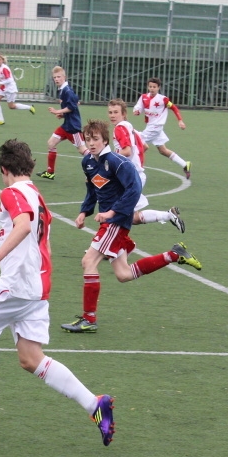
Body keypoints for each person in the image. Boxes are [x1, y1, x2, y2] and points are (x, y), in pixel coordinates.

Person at [0, 139, 115, 446]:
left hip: (17, 285)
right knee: (30, 358)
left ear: (4, 169)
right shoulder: (37, 194)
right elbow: (42, 241)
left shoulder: (12, 192)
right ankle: (95, 404)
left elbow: (22, 226)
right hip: (37, 287)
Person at [60, 119, 202, 334]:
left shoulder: (118, 162)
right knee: (123, 274)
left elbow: (134, 189)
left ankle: (89, 319)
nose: (91, 143)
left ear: (105, 140)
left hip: (117, 222)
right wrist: (83, 212)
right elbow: (92, 191)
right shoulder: (88, 162)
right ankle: (174, 255)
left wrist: (112, 212)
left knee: (88, 261)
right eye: (88, 139)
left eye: (95, 139)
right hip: (109, 222)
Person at [108, 98, 184, 233]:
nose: (112, 115)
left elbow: (127, 151)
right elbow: (145, 146)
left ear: (124, 114)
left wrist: (109, 157)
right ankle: (168, 215)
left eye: (116, 112)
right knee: (127, 216)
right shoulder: (130, 127)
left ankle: (106, 248)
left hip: (130, 178)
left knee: (114, 212)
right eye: (110, 112)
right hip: (135, 175)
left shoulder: (119, 128)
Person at [133, 78, 191, 179]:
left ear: (158, 88)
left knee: (139, 144)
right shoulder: (143, 97)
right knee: (163, 150)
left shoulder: (163, 99)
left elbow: (174, 107)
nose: (152, 89)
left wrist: (180, 120)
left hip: (156, 127)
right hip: (151, 126)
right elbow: (138, 108)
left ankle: (135, 168)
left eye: (154, 87)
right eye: (150, 86)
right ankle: (185, 164)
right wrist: (137, 111)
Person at [37, 66, 86, 180]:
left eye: (59, 77)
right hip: (66, 126)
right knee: (51, 143)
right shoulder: (63, 90)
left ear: (64, 77)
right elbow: (75, 102)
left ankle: (100, 169)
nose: (56, 79)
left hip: (73, 127)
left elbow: (72, 107)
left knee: (83, 150)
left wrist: (57, 111)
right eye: (55, 77)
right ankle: (50, 172)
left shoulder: (67, 90)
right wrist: (62, 115)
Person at [0, 54, 35, 126]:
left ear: (3, 60)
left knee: (11, 106)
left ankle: (30, 107)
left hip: (10, 88)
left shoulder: (4, 68)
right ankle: (1, 120)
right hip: (3, 87)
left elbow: (10, 80)